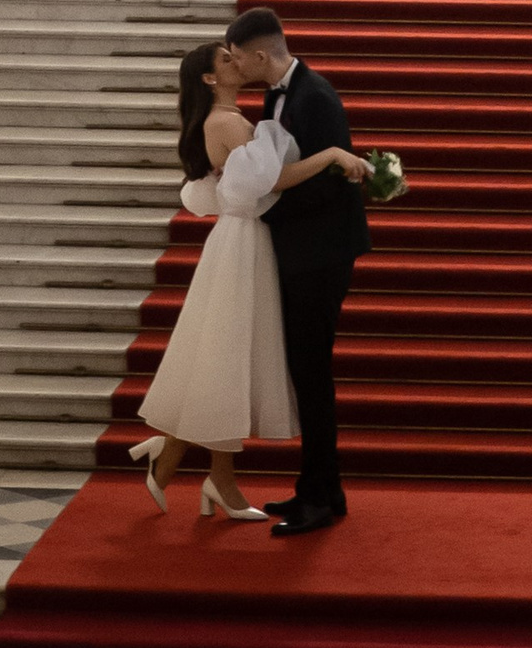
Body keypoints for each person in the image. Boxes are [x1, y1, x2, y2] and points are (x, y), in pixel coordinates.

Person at [130, 41, 363, 518]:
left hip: (244, 240)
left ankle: (189, 460)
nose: (236, 61)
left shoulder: (229, 119)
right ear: (210, 79)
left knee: (224, 356)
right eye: (225, 59)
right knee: (225, 355)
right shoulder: (227, 122)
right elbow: (273, 181)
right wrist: (333, 154)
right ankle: (205, 471)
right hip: (241, 244)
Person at [226, 4, 367, 534]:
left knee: (312, 374)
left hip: (321, 253)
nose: (234, 67)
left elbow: (331, 182)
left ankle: (318, 497)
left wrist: (264, 201)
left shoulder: (314, 96)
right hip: (304, 250)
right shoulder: (280, 94)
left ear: (261, 53)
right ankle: (324, 489)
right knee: (308, 372)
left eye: (239, 58)